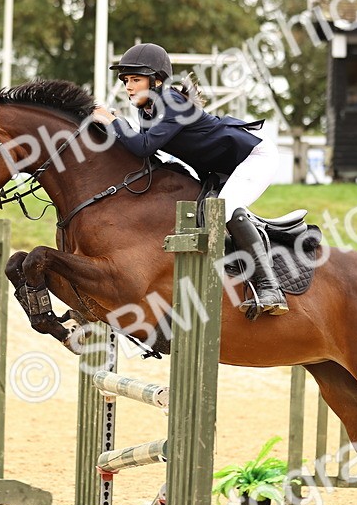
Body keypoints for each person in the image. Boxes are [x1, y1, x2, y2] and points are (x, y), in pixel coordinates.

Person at [92, 42, 288, 316]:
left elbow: (144, 146)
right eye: (126, 80)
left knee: (224, 209)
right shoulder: (146, 110)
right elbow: (141, 150)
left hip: (254, 155)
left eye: (135, 79)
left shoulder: (172, 103)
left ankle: (271, 288)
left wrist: (112, 121)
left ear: (157, 80)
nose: (128, 86)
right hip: (221, 167)